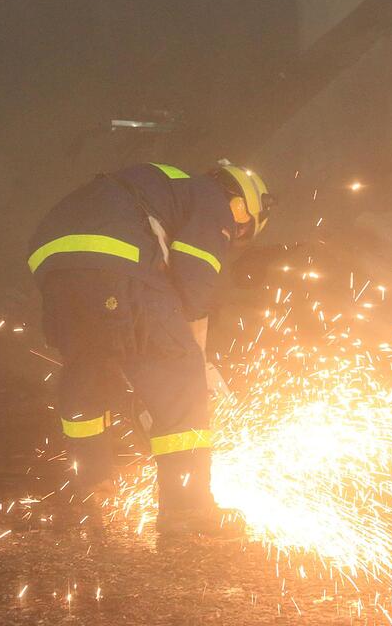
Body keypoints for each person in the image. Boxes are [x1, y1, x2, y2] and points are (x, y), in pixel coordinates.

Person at [27, 160, 272, 535]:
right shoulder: (211, 200)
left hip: (54, 267)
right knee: (177, 372)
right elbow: (192, 291)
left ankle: (90, 486)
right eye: (238, 233)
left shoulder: (162, 189)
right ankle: (187, 511)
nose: (231, 238)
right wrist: (197, 364)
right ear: (242, 208)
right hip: (117, 260)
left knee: (89, 368)